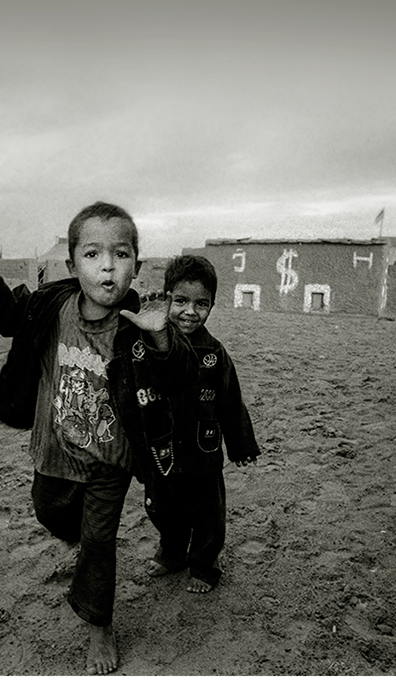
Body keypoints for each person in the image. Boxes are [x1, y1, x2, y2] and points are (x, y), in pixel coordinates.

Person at [0, 202, 194, 675]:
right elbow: (12, 315)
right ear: (72, 265)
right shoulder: (53, 306)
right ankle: (85, 549)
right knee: (48, 511)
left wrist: (161, 337)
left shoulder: (143, 322)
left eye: (121, 254)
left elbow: (180, 375)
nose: (107, 266)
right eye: (92, 254)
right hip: (54, 449)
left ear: (137, 265)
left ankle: (99, 625)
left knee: (98, 539)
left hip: (112, 458)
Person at [141, 254, 260, 594]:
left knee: (209, 515)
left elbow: (230, 401)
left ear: (211, 306)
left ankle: (205, 564)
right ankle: (173, 552)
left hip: (202, 452)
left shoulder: (214, 353)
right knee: (162, 510)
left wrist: (241, 445)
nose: (190, 312)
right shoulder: (146, 345)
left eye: (201, 304)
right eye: (180, 301)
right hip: (160, 452)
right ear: (167, 299)